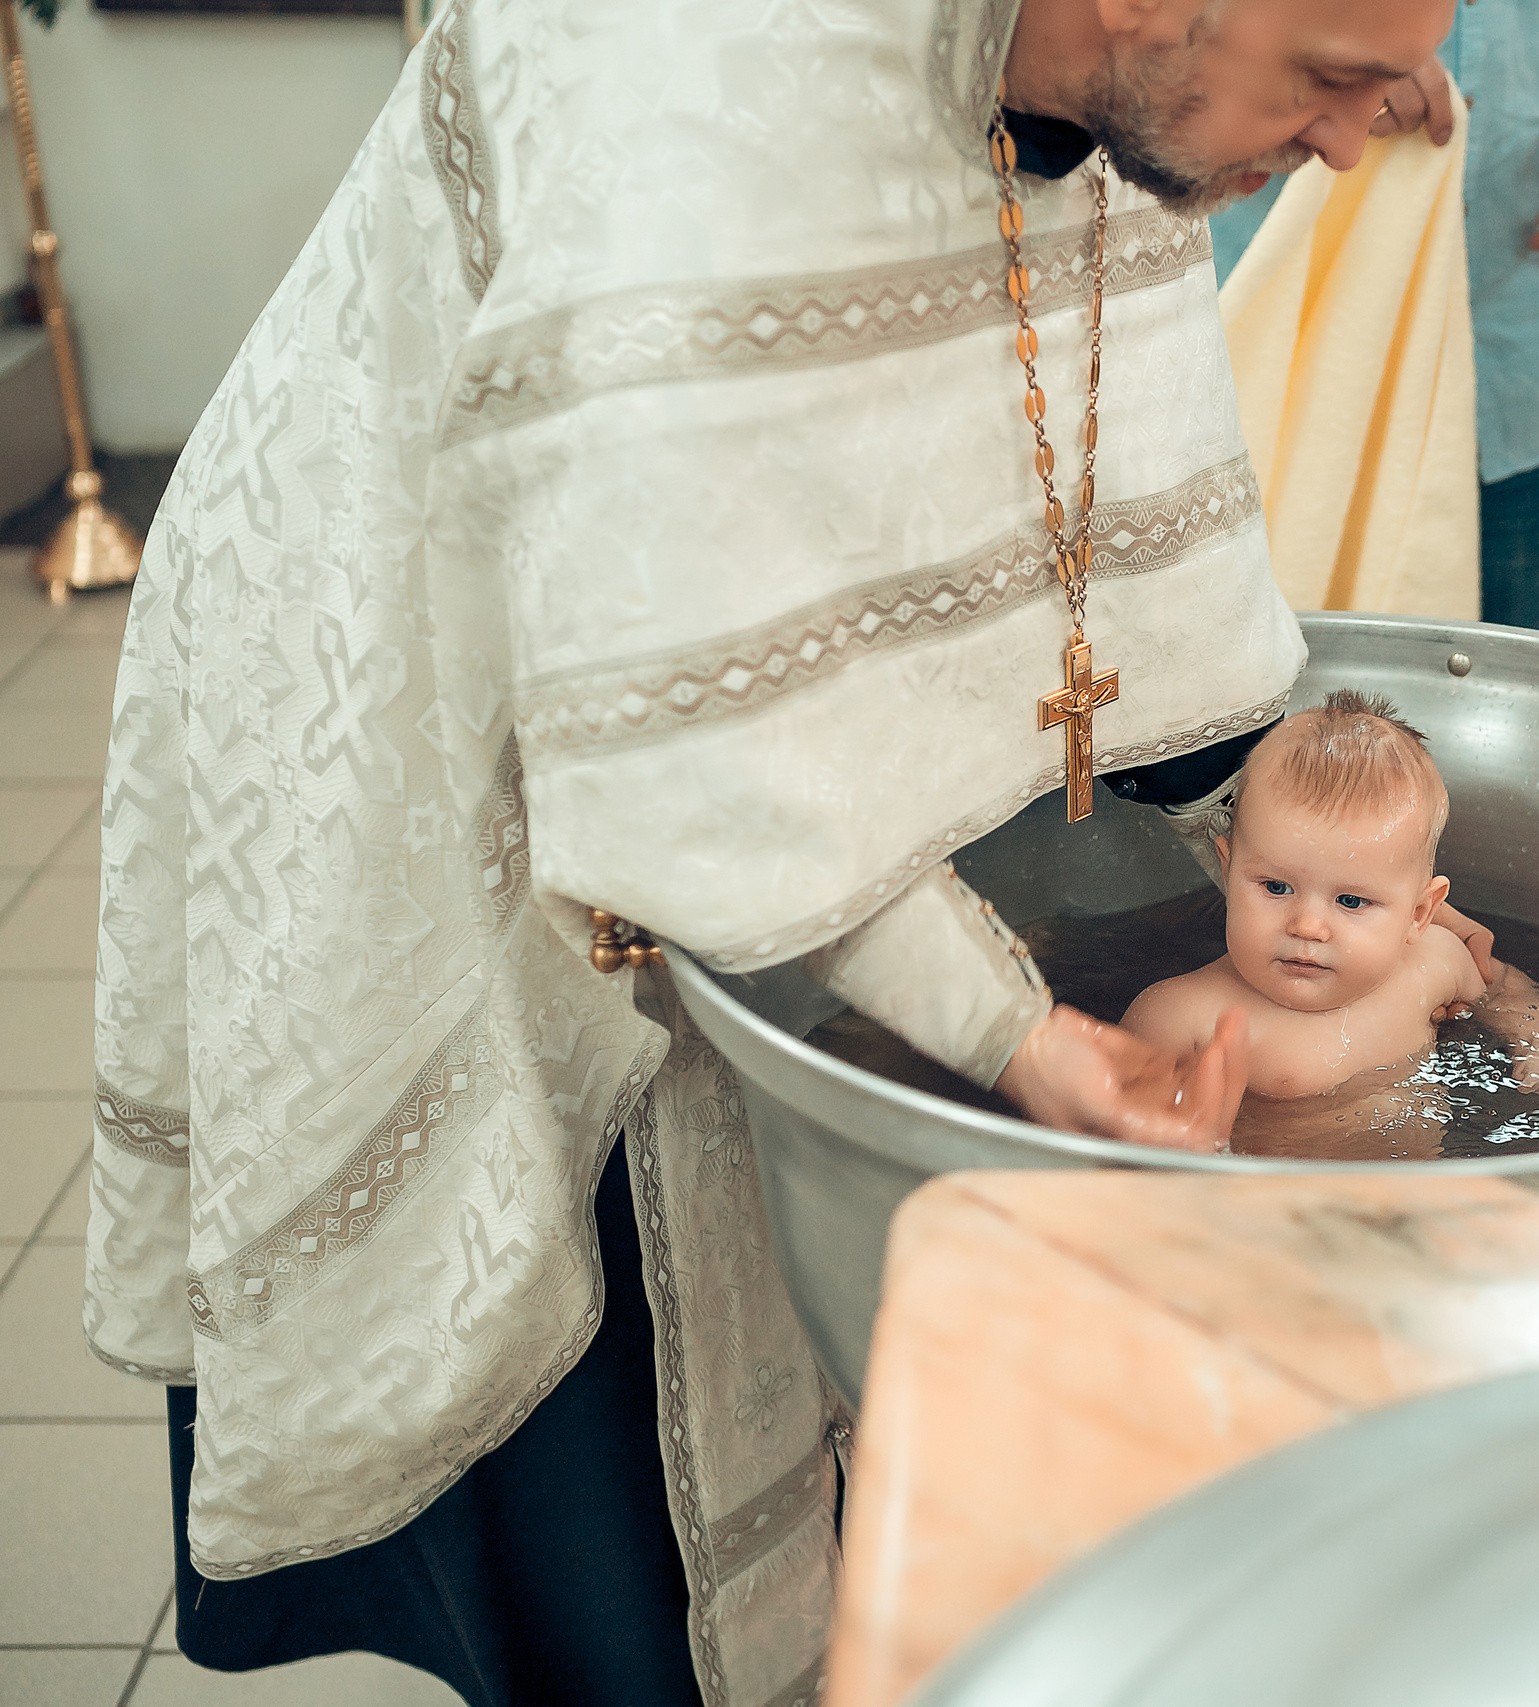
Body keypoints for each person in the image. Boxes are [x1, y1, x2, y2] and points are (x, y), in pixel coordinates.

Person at [82, 0, 1452, 1699]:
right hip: (422, 693)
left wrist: (1258, 821)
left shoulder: (1143, 74)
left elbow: (1095, 458)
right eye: (1330, 80)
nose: (1343, 141)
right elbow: (699, 744)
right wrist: (1017, 1036)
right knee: (590, 1469)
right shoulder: (671, 73)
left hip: (675, 674)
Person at [1207, 1, 1539, 632]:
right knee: (1243, 702)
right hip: (1266, 364)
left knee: (1503, 701)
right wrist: (1320, 40)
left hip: (1510, 370)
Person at [1122, 690, 1539, 1115]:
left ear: (1420, 913)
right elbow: (1115, 1130)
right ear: (1227, 869)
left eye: (1351, 900)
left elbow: (1501, 987)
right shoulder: (1181, 1017)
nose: (1307, 926)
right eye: (1276, 888)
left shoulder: (1434, 963)